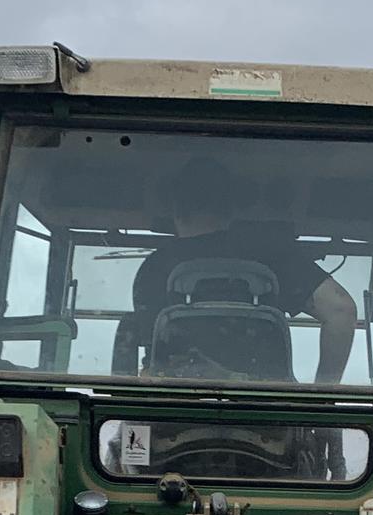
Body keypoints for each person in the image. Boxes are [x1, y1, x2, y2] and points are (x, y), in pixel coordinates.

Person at [127, 157, 358, 384]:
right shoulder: (270, 253)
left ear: (176, 209)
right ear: (231, 209)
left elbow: (153, 362)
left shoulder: (153, 269)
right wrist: (322, 399)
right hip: (266, 413)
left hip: (174, 413)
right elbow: (341, 309)